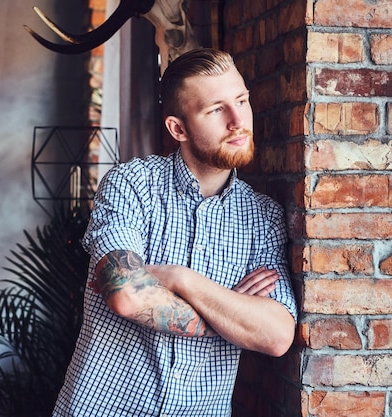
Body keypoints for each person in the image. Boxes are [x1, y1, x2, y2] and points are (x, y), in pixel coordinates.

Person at [53, 48, 298, 417]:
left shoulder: (262, 218)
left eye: (242, 101)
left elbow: (277, 335)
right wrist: (230, 317)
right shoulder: (130, 185)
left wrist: (179, 279)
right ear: (178, 128)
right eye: (216, 109)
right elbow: (127, 296)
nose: (237, 121)